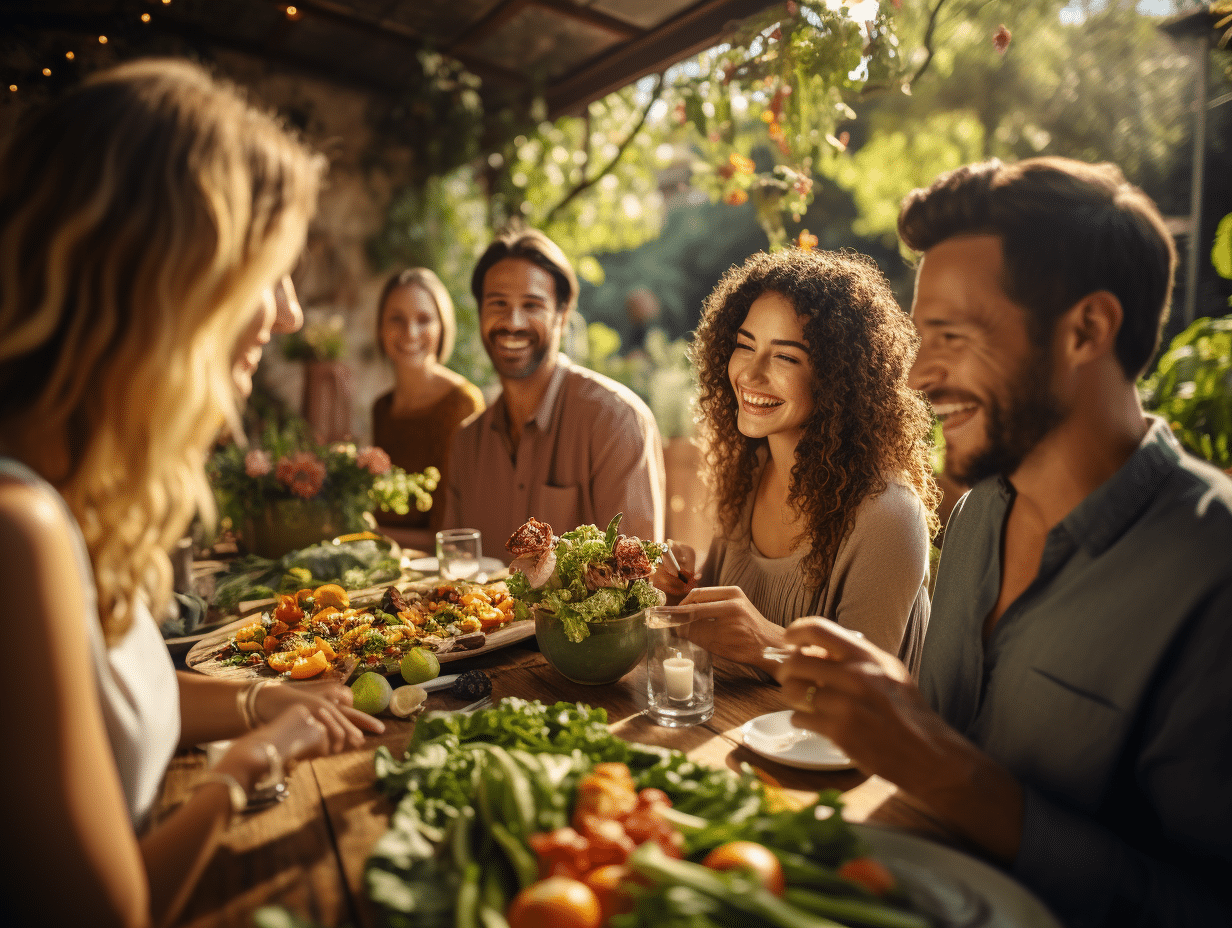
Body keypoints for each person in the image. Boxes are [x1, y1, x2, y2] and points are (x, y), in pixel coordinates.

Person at [775, 157, 1232, 926]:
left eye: (950, 335)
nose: (918, 376)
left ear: (1087, 329)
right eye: (922, 338)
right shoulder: (978, 514)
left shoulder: (1211, 568)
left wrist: (947, 772)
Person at [0, 59, 384, 926]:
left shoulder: (73, 495)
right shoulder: (16, 529)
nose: (288, 315)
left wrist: (261, 700)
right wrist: (243, 768)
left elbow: (112, 697)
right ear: (167, 277)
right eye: (267, 271)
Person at [652, 249, 940, 677]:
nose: (750, 374)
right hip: (728, 735)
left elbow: (865, 687)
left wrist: (769, 644)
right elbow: (709, 638)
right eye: (744, 346)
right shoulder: (747, 475)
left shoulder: (889, 514)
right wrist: (677, 592)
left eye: (785, 356)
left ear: (838, 376)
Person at [444, 228, 666, 558]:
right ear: (480, 313)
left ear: (562, 317)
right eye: (498, 303)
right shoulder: (465, 445)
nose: (513, 322)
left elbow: (635, 582)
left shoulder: (616, 422)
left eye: (532, 305)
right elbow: (454, 574)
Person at [371, 267, 485, 550]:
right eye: (396, 319)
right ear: (380, 328)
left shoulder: (462, 404)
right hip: (390, 566)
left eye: (424, 319)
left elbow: (453, 536)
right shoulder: (381, 408)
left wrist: (366, 533)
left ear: (442, 327)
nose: (410, 332)